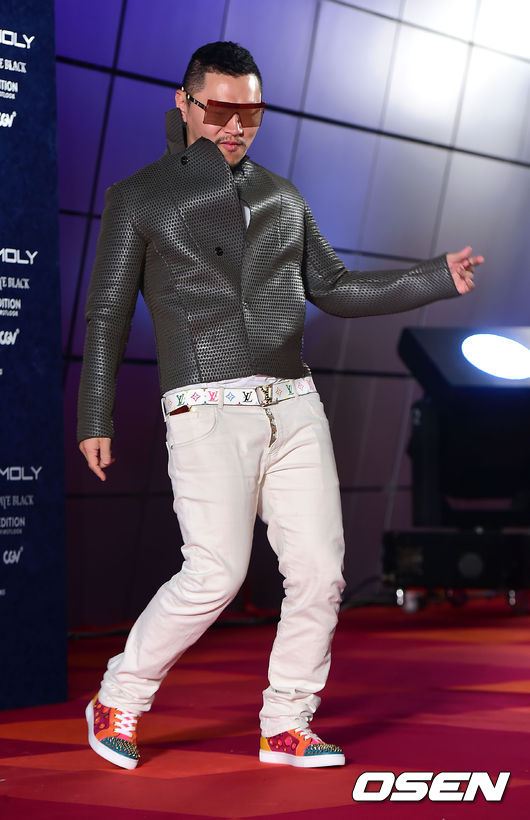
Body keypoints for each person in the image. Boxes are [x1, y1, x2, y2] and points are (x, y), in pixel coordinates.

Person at [78, 41, 483, 771]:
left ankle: (287, 724)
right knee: (214, 574)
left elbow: (336, 289)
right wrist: (94, 416)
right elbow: (107, 312)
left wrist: (435, 278)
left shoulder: (281, 197)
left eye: (252, 112)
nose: (236, 126)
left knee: (321, 573)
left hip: (295, 405)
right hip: (205, 408)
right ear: (184, 103)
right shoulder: (139, 196)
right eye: (220, 109)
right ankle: (118, 697)